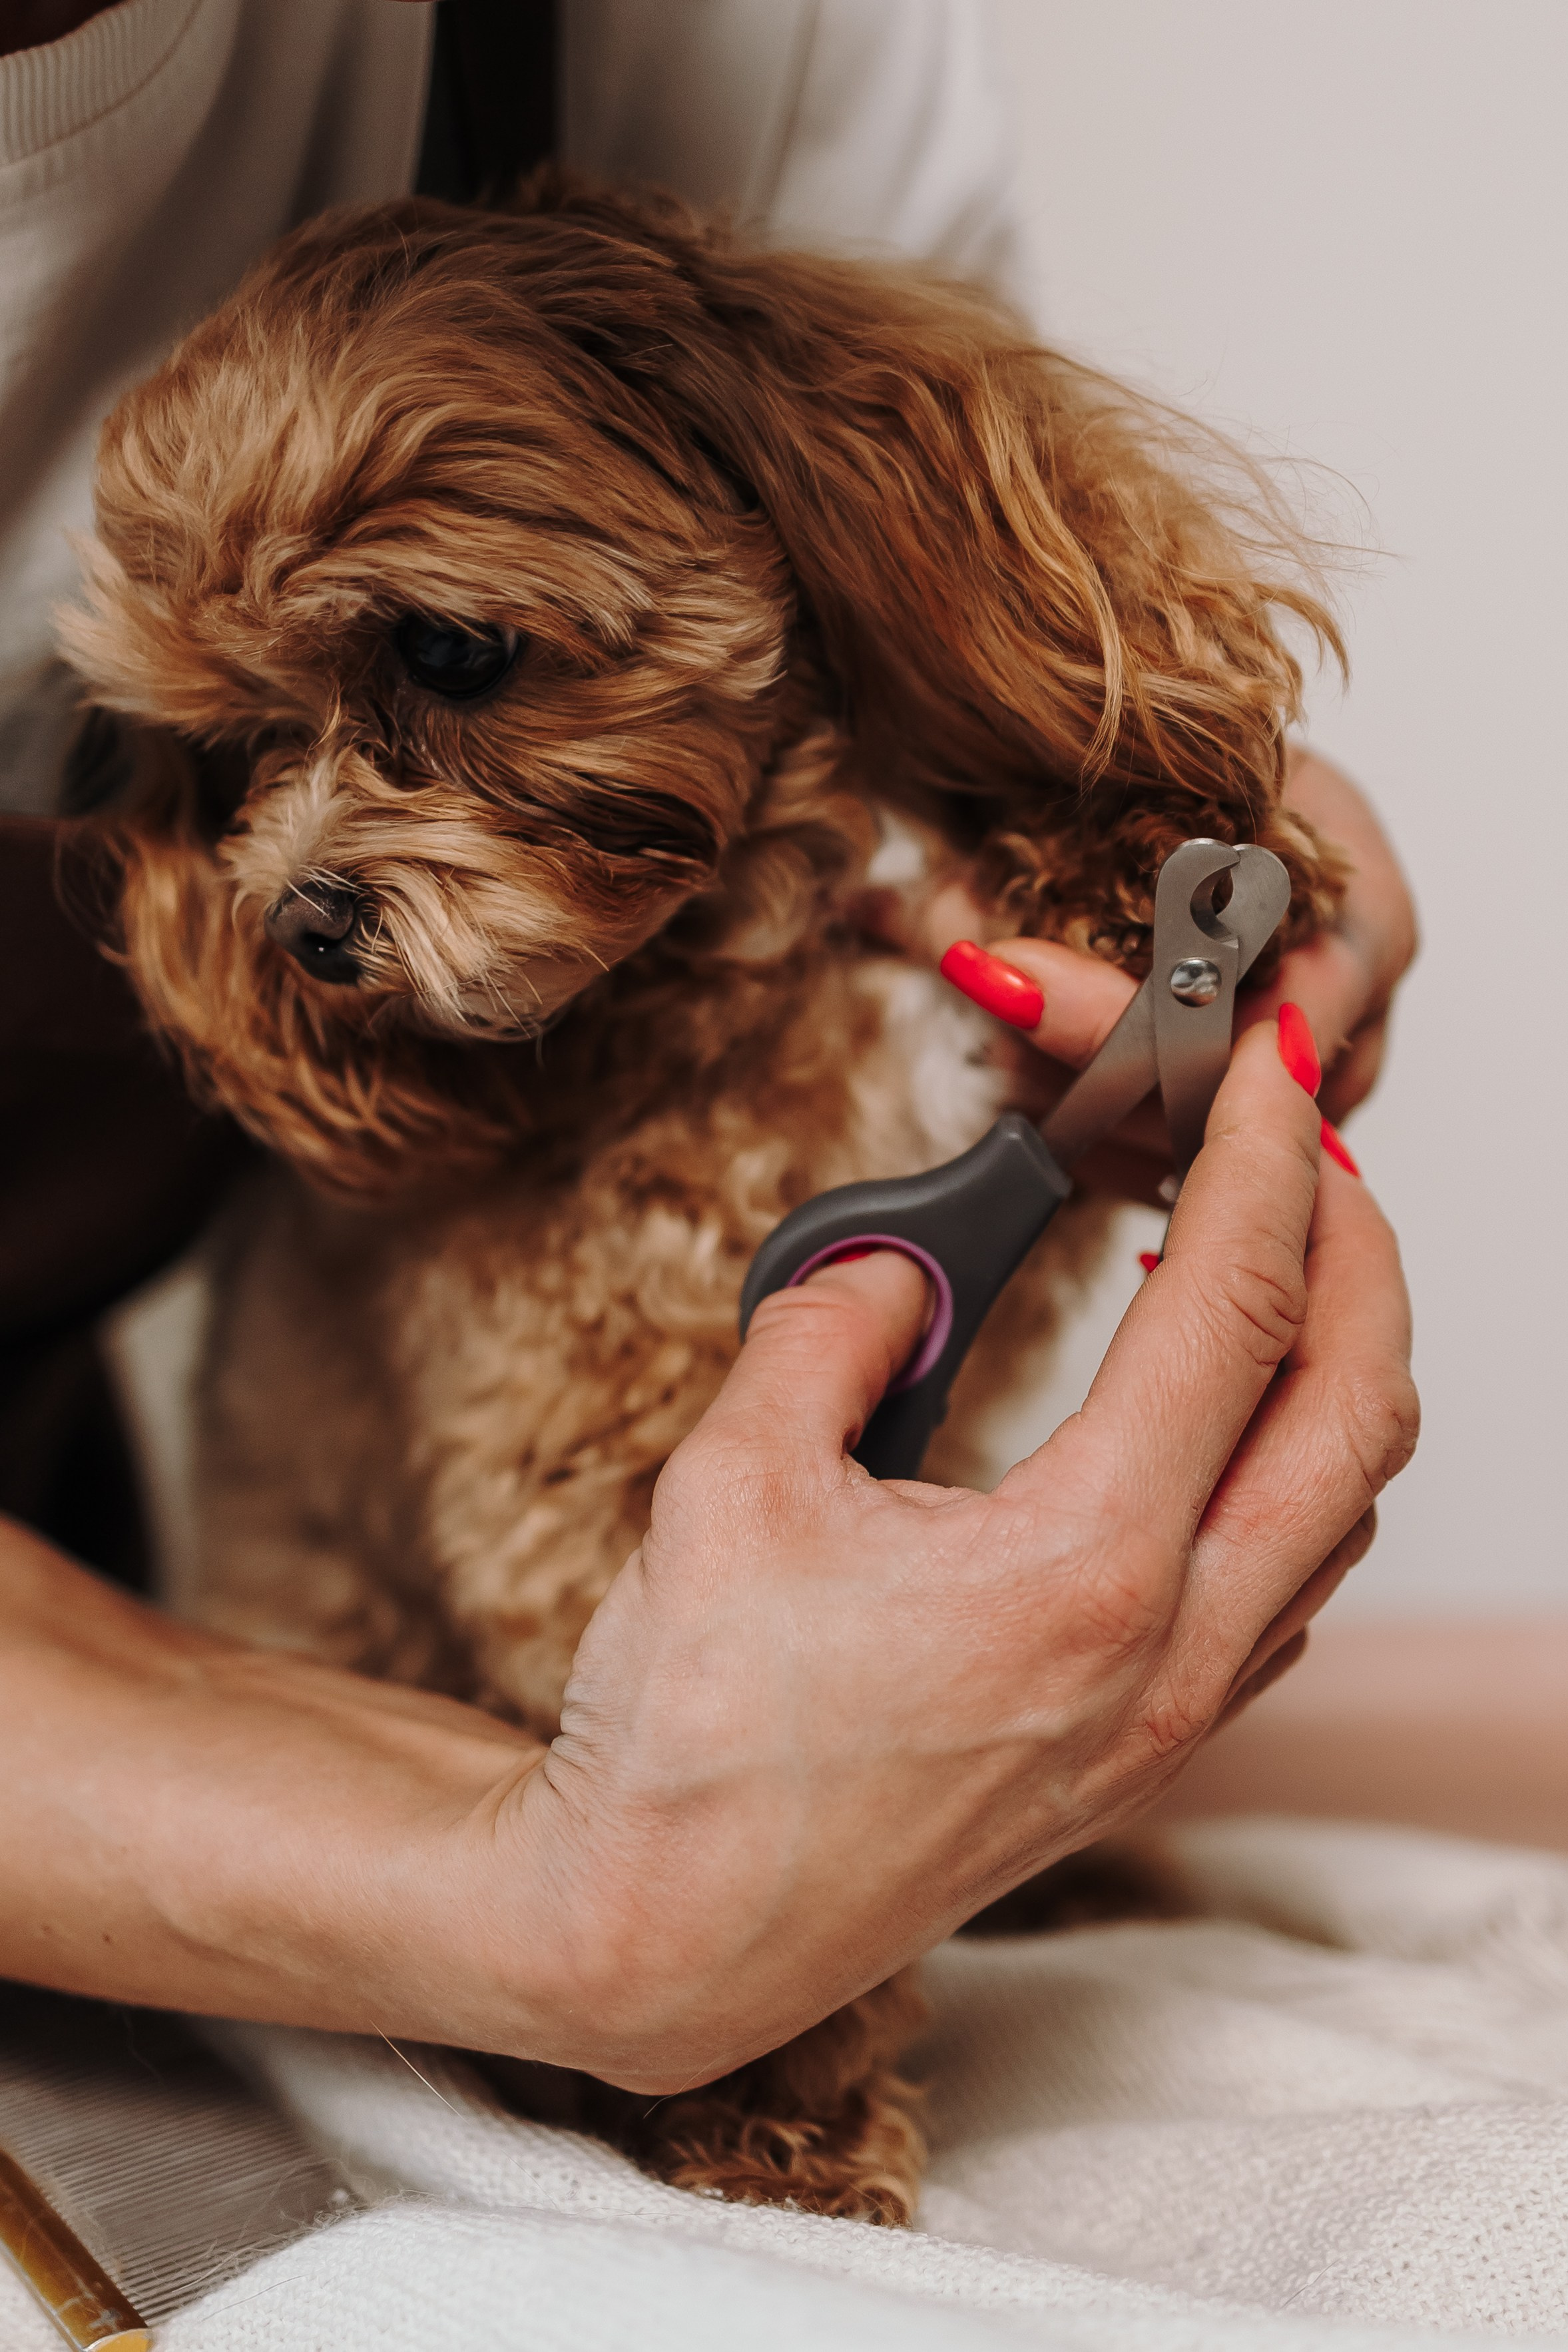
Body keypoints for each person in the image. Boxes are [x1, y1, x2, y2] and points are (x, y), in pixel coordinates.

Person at [0, 0, 1421, 2086]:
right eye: (225, 767)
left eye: (456, 655)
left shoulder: (703, 31)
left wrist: (1168, 837)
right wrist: (551, 1907)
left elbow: (954, 611)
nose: (293, 884)